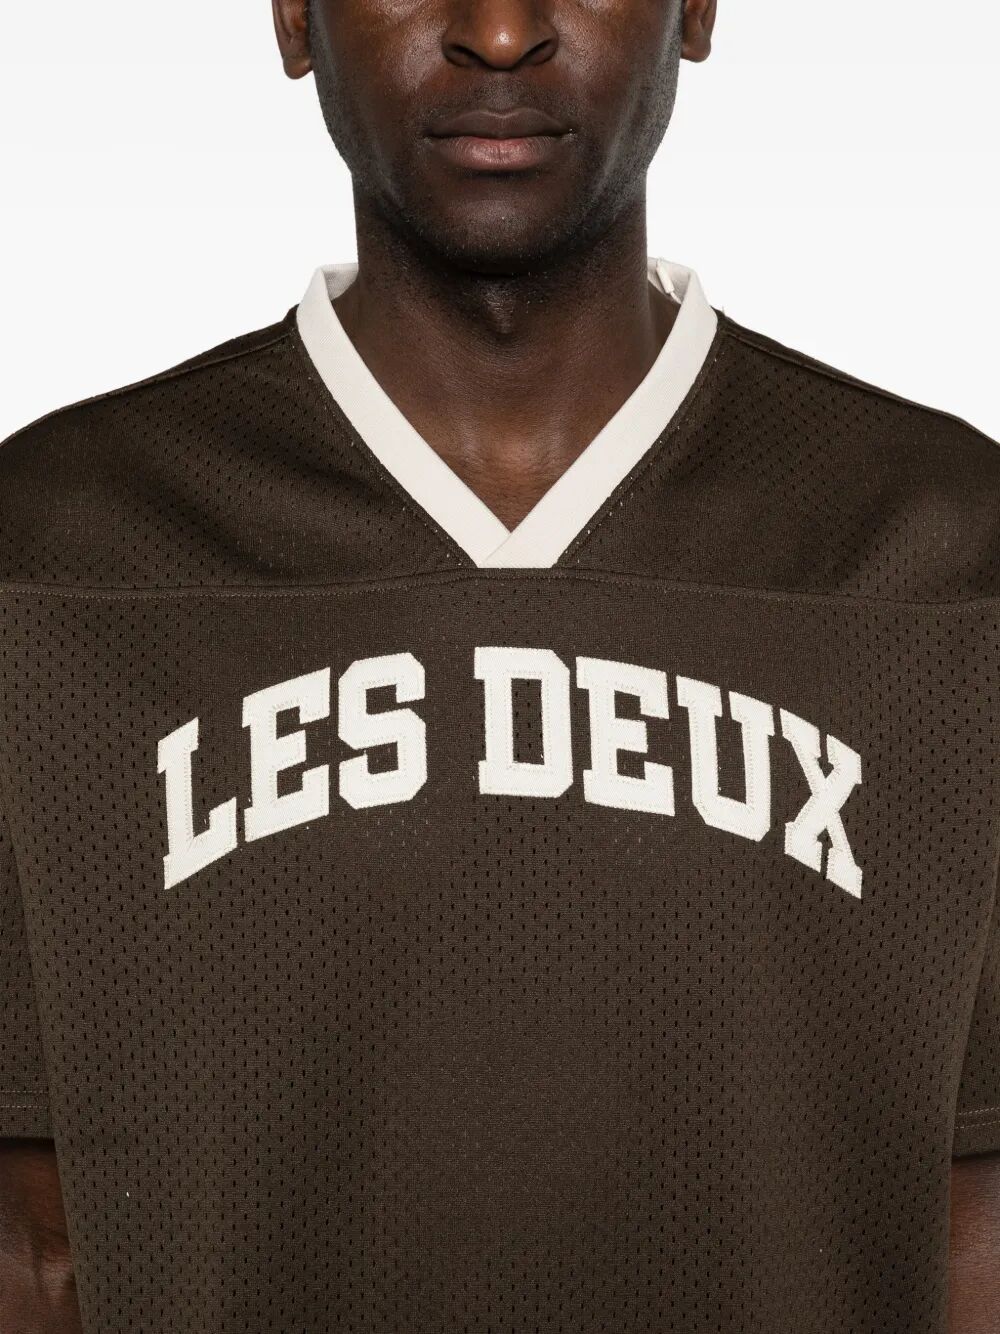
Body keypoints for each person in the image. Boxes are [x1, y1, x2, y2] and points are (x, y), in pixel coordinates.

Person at [1, 0, 998, 1329]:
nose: (502, 30)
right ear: (293, 18)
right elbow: (35, 1245)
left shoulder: (946, 555)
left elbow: (973, 1227)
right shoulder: (57, 558)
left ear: (697, 10)